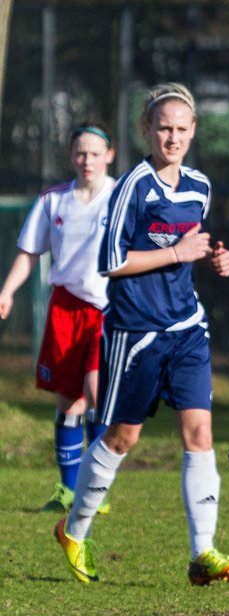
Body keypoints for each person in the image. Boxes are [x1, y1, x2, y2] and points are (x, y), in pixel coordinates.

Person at [53, 83, 229, 586]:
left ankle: (203, 552)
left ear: (194, 131)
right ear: (147, 130)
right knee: (122, 437)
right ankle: (75, 529)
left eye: (182, 129)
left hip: (187, 328)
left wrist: (217, 259)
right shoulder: (132, 187)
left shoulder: (199, 186)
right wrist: (175, 253)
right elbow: (111, 262)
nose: (173, 137)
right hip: (135, 333)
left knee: (199, 433)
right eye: (164, 128)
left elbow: (196, 246)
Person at [0, 122, 116, 514]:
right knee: (69, 404)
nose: (87, 161)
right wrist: (7, 291)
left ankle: (96, 491)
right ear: (72, 156)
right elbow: (29, 252)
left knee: (96, 392)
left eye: (95, 154)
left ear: (109, 156)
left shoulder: (122, 198)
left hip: (107, 309)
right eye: (81, 153)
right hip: (65, 308)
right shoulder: (53, 200)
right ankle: (69, 490)